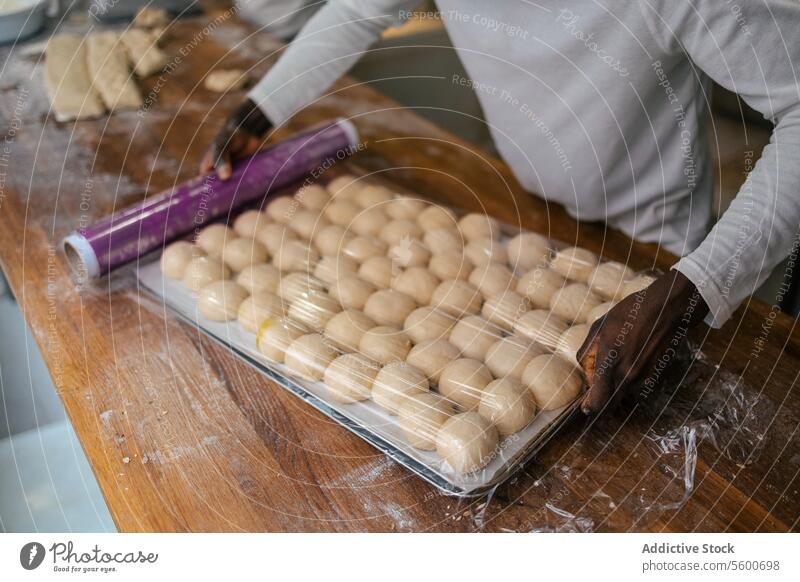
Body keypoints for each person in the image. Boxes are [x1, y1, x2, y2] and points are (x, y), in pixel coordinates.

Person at [200, 1, 800, 414]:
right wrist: (265, 104)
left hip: (654, 253)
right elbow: (363, 8)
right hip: (536, 215)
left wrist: (698, 285)